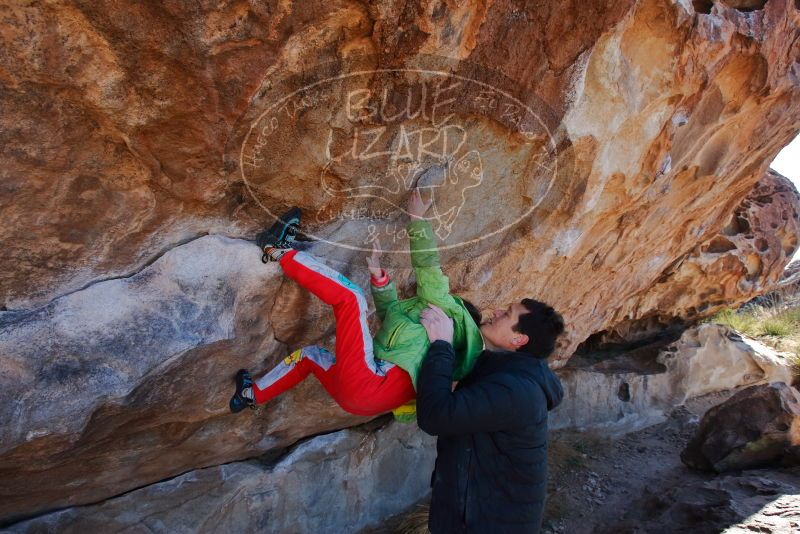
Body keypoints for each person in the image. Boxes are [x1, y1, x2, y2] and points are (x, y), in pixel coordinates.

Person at [228, 188, 485, 418]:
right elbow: (390, 317)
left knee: (350, 299)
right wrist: (380, 279)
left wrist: (417, 219)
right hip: (357, 401)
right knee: (309, 357)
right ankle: (249, 396)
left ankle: (277, 249)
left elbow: (428, 266)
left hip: (369, 383)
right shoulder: (431, 347)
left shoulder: (448, 313)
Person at [416, 301, 565, 534]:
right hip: (472, 517)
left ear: (519, 340)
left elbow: (435, 415)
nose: (496, 312)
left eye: (506, 314)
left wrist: (441, 344)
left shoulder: (517, 391)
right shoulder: (505, 372)